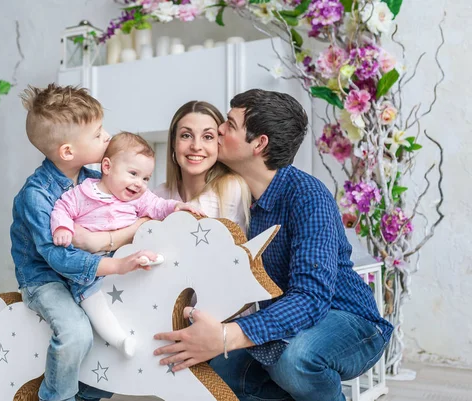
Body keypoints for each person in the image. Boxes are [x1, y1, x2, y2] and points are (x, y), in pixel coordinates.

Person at [153, 89, 393, 401]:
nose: (219, 130)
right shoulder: (237, 198)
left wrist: (226, 336)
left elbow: (311, 298)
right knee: (219, 379)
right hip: (284, 324)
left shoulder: (307, 195)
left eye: (229, 124)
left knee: (295, 360)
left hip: (348, 321)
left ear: (259, 143)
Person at [10, 84, 156, 401]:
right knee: (76, 333)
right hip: (45, 278)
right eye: (98, 134)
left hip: (85, 274)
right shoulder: (37, 195)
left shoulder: (94, 179)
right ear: (67, 151)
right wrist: (116, 263)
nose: (107, 138)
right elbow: (58, 258)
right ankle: (56, 397)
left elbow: (131, 203)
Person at [50, 132, 203, 358]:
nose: (139, 184)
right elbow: (62, 209)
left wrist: (175, 207)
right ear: (107, 167)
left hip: (124, 255)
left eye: (145, 178)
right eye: (133, 174)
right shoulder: (83, 193)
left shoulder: (138, 199)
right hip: (92, 266)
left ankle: (149, 263)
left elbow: (158, 206)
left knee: (146, 256)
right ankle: (120, 340)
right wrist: (62, 228)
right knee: (92, 299)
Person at [154, 100, 251, 234]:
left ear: (219, 142)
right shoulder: (159, 195)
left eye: (208, 136)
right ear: (173, 143)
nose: (196, 146)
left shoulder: (231, 188)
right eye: (186, 135)